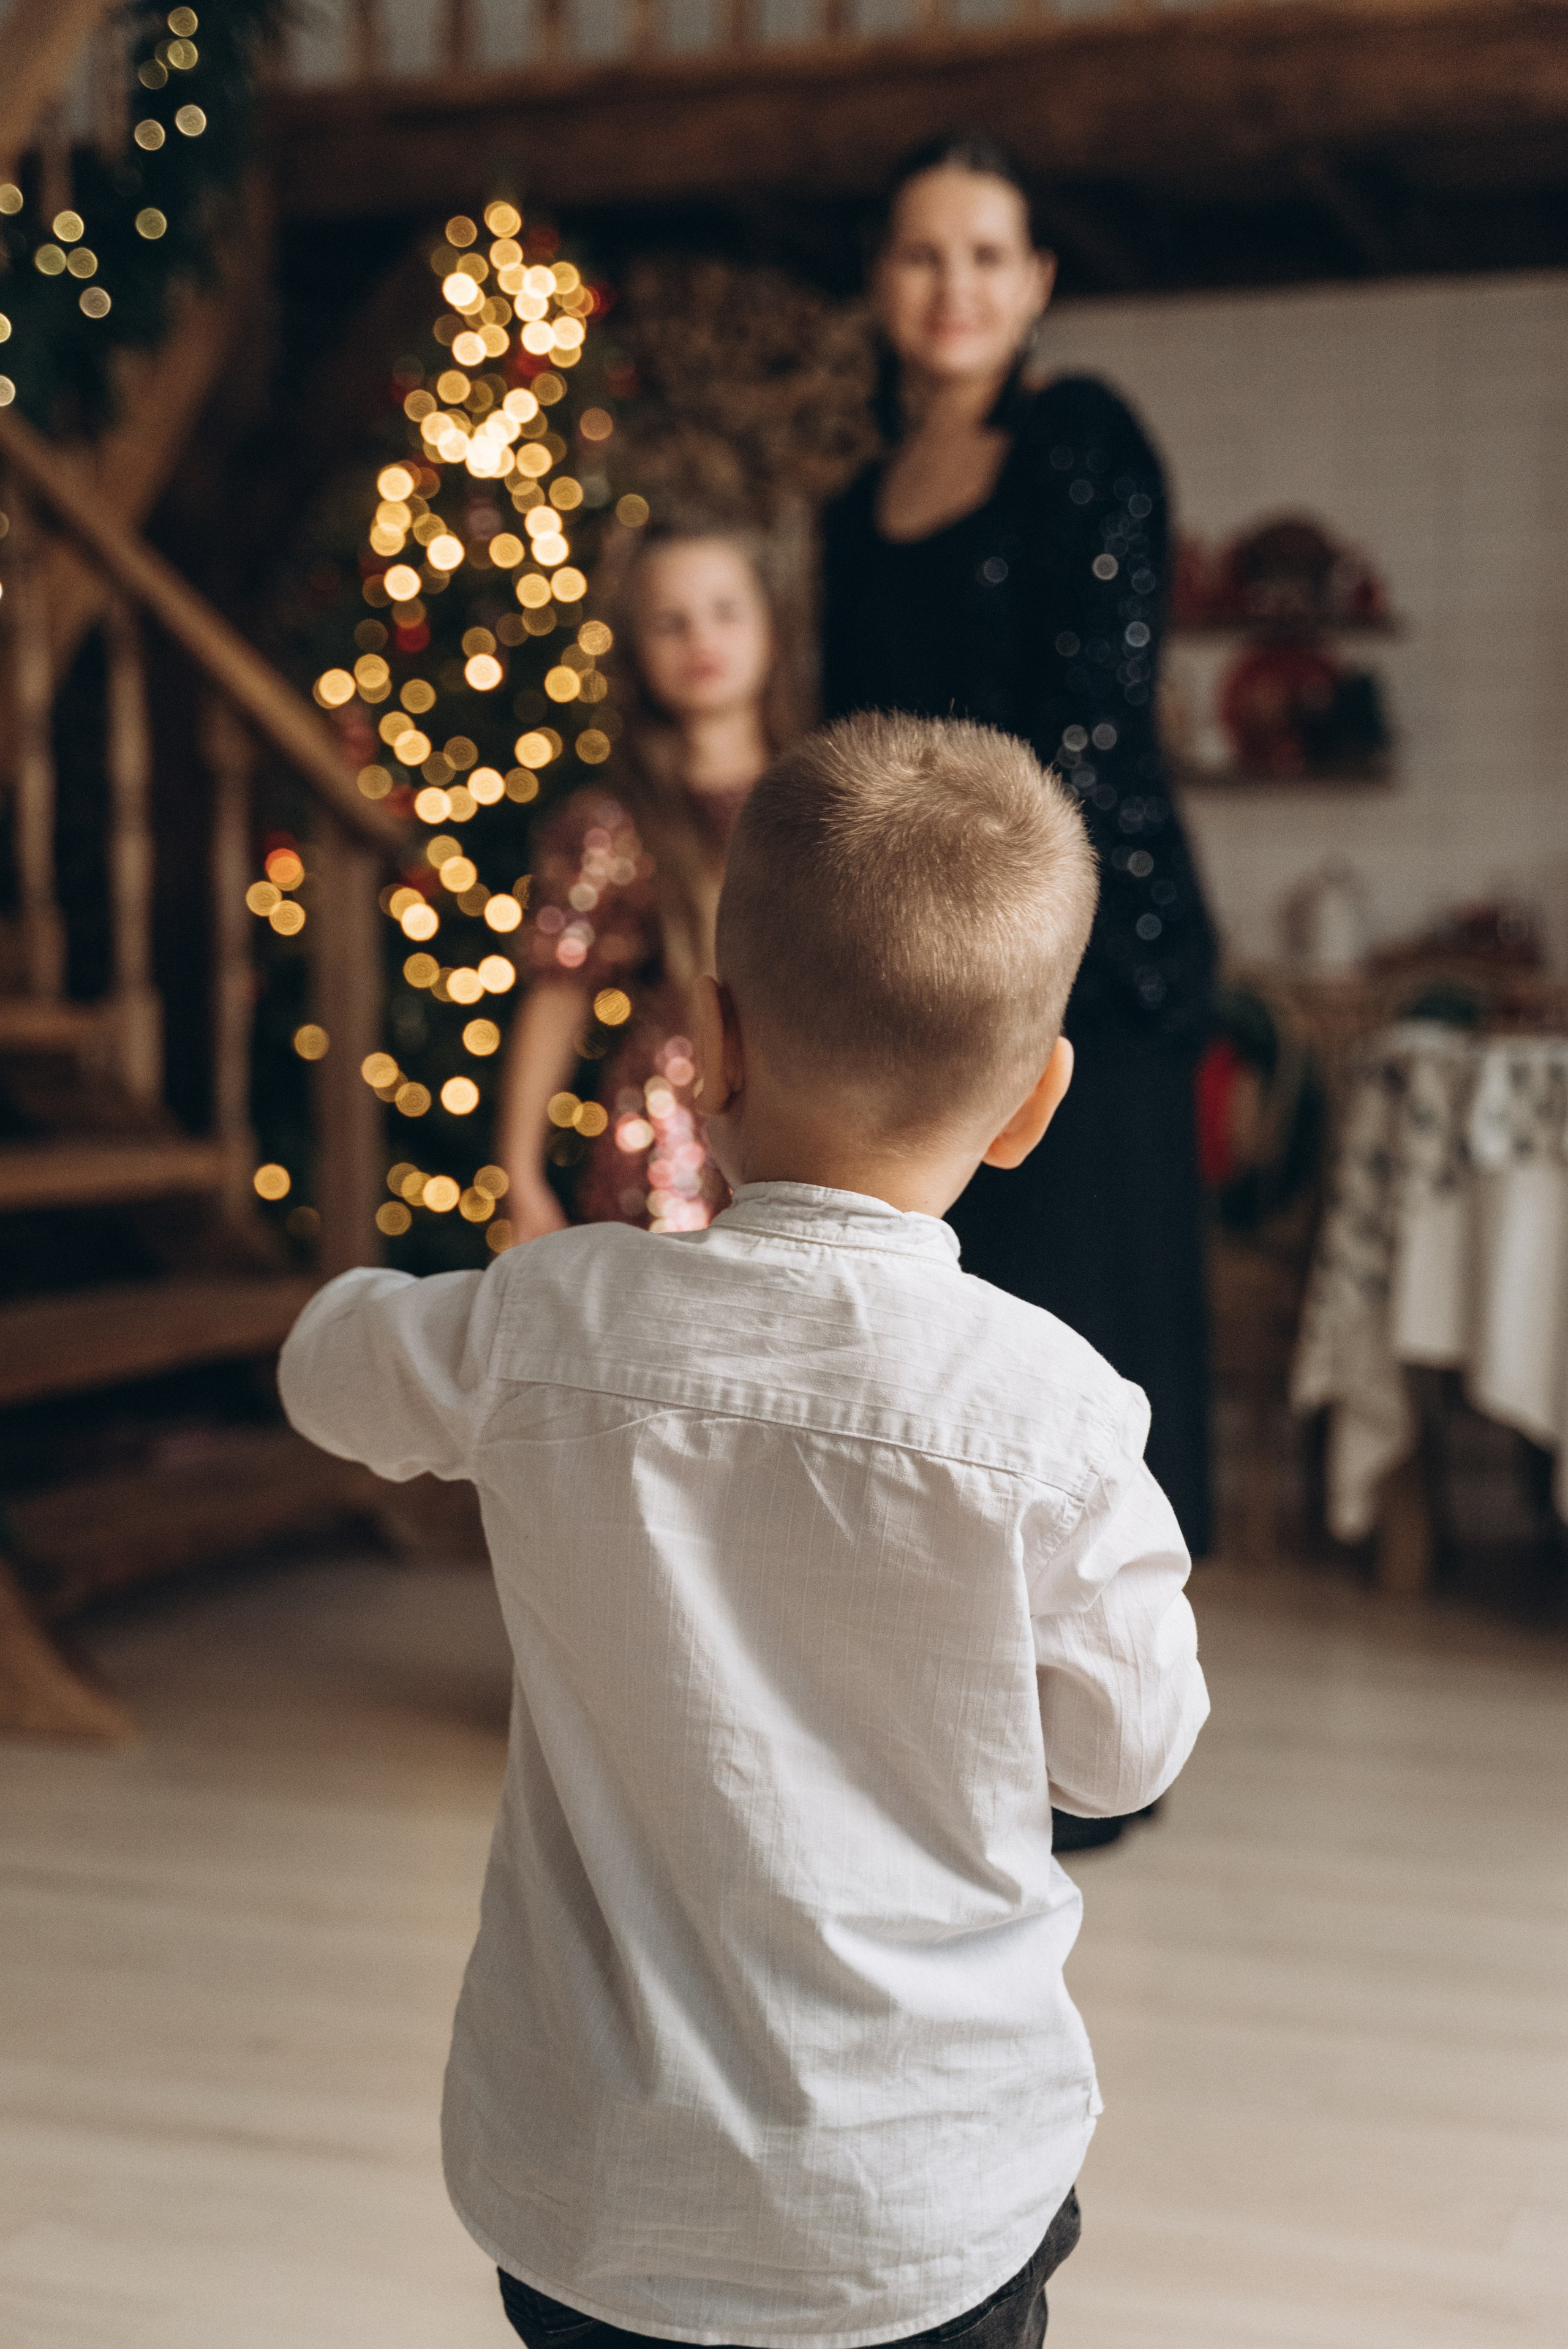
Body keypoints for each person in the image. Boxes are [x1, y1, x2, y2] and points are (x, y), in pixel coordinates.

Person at [279, 711, 1208, 2349]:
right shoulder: (1052, 1414)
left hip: (589, 2196)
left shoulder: (551, 1322)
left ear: (709, 1037)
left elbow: (324, 1368)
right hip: (921, 2203)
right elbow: (1126, 1755)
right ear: (1032, 1103)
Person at [821, 135, 1217, 1593]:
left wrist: (1008, 944)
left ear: (1036, 280)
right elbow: (852, 748)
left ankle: (1094, 1746)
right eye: (922, 253)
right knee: (948, 1346)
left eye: (986, 255)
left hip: (1083, 966)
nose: (953, 286)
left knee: (1083, 1346)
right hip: (908, 973)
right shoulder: (849, 511)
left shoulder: (1081, 441)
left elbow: (1089, 731)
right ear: (879, 281)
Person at [496, 516, 803, 1240]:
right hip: (666, 1138)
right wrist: (519, 1173)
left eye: (725, 611)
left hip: (806, 1132)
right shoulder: (611, 823)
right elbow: (557, 1002)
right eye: (670, 622)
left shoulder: (829, 800)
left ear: (772, 626)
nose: (702, 639)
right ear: (635, 649)